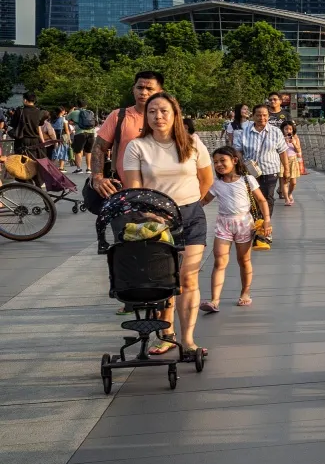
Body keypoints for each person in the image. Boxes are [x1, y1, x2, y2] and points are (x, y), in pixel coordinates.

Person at [119, 91, 213, 359]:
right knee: (165, 278)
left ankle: (188, 340)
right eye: (152, 111)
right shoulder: (137, 147)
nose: (158, 116)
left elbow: (206, 179)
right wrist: (150, 214)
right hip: (154, 220)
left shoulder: (192, 143)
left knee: (188, 277)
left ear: (175, 114)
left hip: (191, 216)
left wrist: (191, 202)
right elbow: (134, 188)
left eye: (163, 111)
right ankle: (167, 334)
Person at [203, 146, 267, 310]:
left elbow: (262, 200)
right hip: (224, 224)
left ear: (235, 160)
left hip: (243, 223)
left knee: (243, 260)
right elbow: (204, 201)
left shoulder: (247, 180)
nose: (218, 164)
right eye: (215, 162)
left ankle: (245, 292)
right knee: (219, 261)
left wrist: (267, 220)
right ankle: (214, 300)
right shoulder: (217, 184)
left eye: (222, 160)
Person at [90, 70, 165, 209]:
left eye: (149, 89)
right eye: (140, 87)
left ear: (160, 92)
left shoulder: (168, 119)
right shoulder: (119, 116)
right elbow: (99, 147)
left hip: (162, 194)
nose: (143, 92)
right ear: (133, 89)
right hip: (124, 194)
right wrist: (97, 177)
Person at [231, 102, 288, 236]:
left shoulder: (275, 132)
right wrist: (239, 166)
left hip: (270, 171)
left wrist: (286, 169)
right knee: (251, 199)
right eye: (258, 115)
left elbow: (282, 151)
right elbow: (237, 150)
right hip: (249, 172)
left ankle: (263, 226)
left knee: (267, 198)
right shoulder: (244, 132)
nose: (262, 118)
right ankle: (254, 223)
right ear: (253, 116)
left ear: (268, 116)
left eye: (264, 115)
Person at [8, 94, 53, 158]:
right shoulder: (39, 112)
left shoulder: (20, 111)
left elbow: (13, 124)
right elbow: (39, 127)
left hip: (22, 141)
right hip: (36, 141)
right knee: (35, 160)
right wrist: (42, 141)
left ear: (25, 100)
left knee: (22, 161)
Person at [278, 120, 305, 206]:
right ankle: (286, 199)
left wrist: (293, 143)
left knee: (293, 182)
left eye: (290, 129)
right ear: (282, 129)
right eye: (286, 129)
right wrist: (284, 141)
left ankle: (289, 194)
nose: (288, 131)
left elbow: (298, 150)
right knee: (285, 181)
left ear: (293, 130)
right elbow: (277, 149)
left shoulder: (295, 138)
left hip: (293, 160)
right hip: (282, 160)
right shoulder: (280, 138)